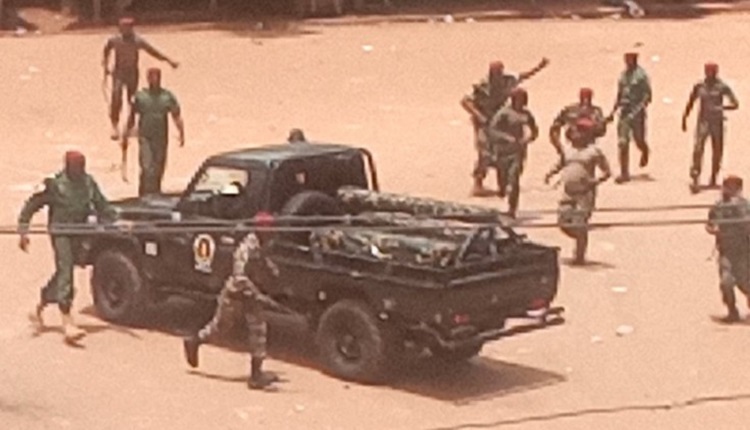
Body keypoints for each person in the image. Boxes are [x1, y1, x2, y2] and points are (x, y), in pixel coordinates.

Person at [18, 151, 116, 343]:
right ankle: (67, 321)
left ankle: (42, 302)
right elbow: (32, 205)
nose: (80, 170)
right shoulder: (54, 185)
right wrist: (23, 230)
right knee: (66, 272)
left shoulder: (88, 183)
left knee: (66, 269)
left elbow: (102, 205)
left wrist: (117, 220)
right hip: (60, 232)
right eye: (77, 167)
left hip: (79, 232)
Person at [183, 233, 281, 390]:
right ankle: (194, 341)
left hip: (252, 297)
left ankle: (256, 375)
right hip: (235, 294)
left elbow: (264, 263)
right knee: (221, 327)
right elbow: (239, 277)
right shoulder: (245, 248)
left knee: (259, 330)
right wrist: (258, 294)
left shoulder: (263, 246)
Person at [461, 58, 549, 197]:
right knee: (485, 152)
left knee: (504, 151)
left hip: (502, 120)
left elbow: (523, 76)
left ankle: (504, 183)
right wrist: (479, 115)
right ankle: (478, 184)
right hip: (484, 122)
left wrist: (539, 67)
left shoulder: (507, 80)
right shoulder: (483, 85)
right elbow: (465, 101)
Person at [545, 118, 612, 265]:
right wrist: (550, 173)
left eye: (581, 131)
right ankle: (580, 236)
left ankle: (580, 254)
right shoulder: (568, 150)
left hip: (585, 193)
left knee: (580, 222)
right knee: (563, 221)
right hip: (568, 191)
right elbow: (561, 163)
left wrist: (594, 182)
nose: (577, 134)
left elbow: (607, 172)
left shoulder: (594, 152)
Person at [103, 16, 179, 140]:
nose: (122, 30)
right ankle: (114, 125)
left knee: (132, 100)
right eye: (121, 27)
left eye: (126, 27)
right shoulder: (114, 40)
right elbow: (107, 50)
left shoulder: (138, 41)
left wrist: (168, 60)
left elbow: (153, 51)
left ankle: (131, 125)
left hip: (132, 73)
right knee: (116, 96)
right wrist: (105, 66)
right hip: (119, 73)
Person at [123, 67, 185, 196]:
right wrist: (126, 134)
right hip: (145, 136)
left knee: (159, 165)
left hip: (161, 136)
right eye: (151, 77)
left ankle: (155, 191)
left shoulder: (167, 96)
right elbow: (132, 116)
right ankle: (144, 192)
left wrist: (181, 132)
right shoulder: (140, 96)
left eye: (156, 77)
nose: (154, 80)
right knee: (146, 166)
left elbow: (176, 115)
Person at [682, 63, 739, 194]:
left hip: (717, 122)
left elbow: (735, 103)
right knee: (698, 147)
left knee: (717, 150)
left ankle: (714, 176)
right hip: (703, 122)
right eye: (707, 71)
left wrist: (722, 108)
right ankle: (695, 174)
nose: (709, 73)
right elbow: (691, 101)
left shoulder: (722, 86)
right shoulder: (699, 86)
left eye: (711, 71)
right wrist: (685, 117)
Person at [487, 87, 539, 218]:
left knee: (514, 179)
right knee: (503, 180)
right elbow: (492, 130)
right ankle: (503, 191)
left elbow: (534, 130)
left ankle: (512, 208)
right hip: (503, 151)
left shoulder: (526, 114)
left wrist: (529, 138)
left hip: (518, 151)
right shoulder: (504, 113)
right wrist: (506, 138)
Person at [706, 176, 750, 323]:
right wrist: (714, 229)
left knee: (745, 282)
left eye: (731, 188)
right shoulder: (718, 206)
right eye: (725, 187)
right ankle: (732, 311)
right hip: (726, 250)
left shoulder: (744, 206)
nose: (726, 191)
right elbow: (710, 224)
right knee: (726, 282)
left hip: (744, 251)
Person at [609, 52, 652, 184]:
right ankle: (624, 173)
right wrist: (613, 111)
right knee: (623, 142)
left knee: (638, 139)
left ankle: (644, 150)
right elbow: (620, 94)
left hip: (637, 113)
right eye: (626, 59)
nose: (627, 61)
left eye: (629, 59)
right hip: (624, 113)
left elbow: (647, 97)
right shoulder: (623, 75)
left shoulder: (641, 76)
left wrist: (637, 111)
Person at [549, 88, 608, 157]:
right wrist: (559, 147)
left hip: (586, 146)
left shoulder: (595, 111)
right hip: (576, 146)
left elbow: (601, 131)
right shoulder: (571, 110)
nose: (585, 101)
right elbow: (555, 128)